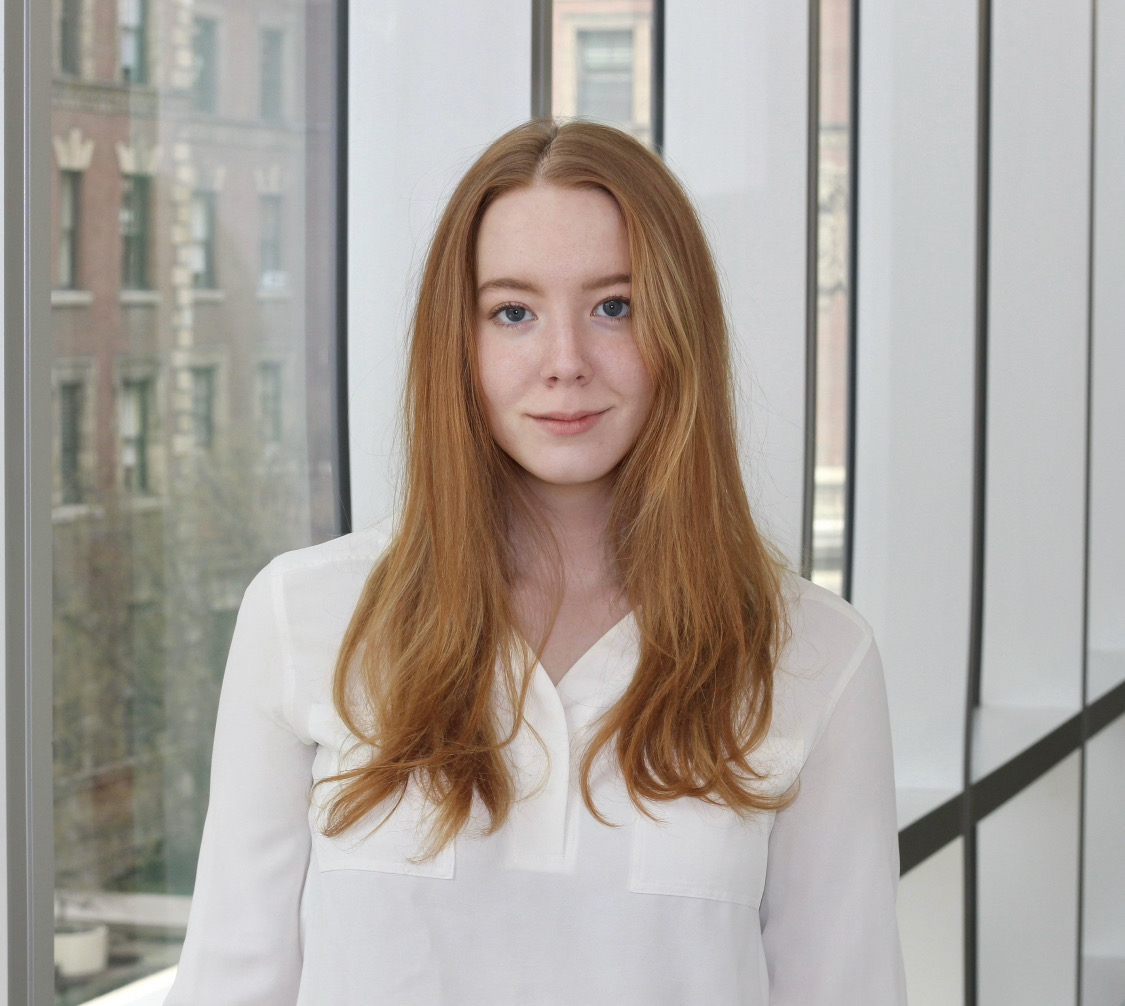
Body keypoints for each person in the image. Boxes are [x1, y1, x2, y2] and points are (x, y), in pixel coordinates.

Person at [166, 118, 907, 1005]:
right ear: (459, 341)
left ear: (682, 330)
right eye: (512, 312)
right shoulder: (304, 616)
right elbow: (229, 985)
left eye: (614, 308)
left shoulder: (817, 654)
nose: (565, 363)